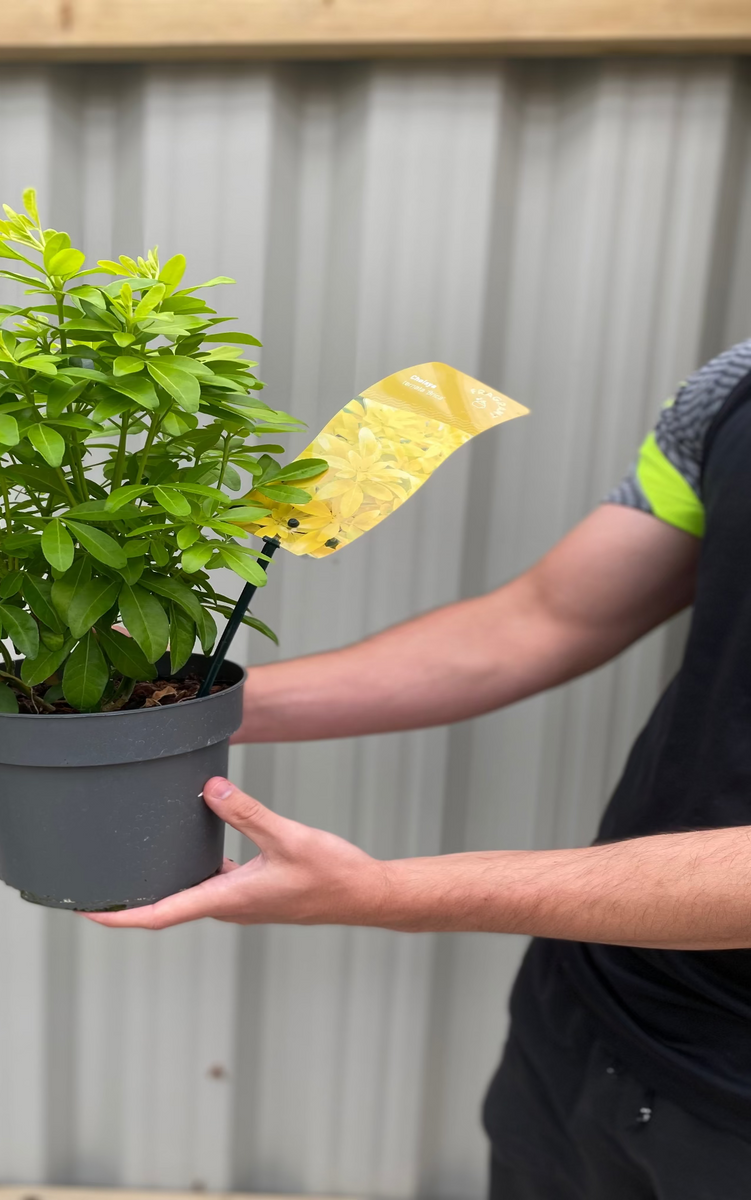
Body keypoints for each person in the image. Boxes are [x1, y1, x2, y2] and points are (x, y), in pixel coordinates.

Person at [86, 340, 751, 1198]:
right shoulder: (736, 386)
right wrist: (165, 707)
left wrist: (388, 894)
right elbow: (546, 619)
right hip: (592, 1005)